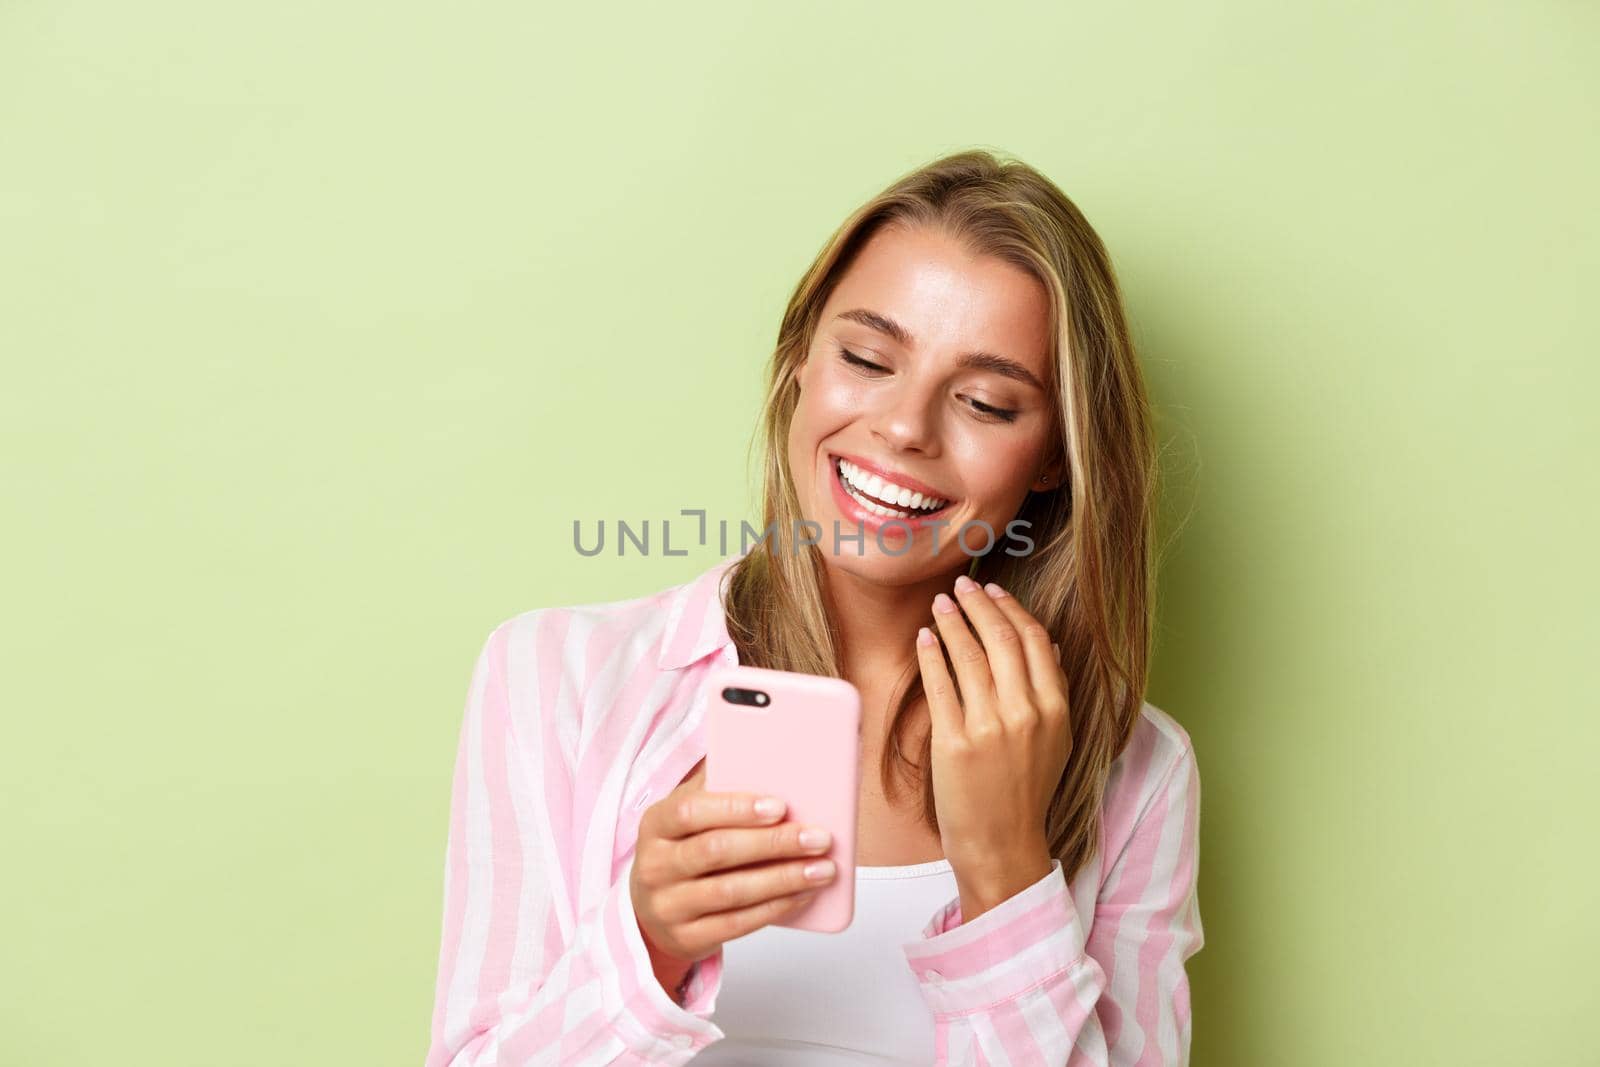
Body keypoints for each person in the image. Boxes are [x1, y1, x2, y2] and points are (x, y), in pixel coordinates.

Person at [424, 149, 1203, 1066]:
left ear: (1053, 458)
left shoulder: (1135, 769)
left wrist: (1006, 872)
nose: (905, 426)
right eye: (868, 357)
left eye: (988, 403)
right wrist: (648, 945)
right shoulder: (557, 676)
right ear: (799, 359)